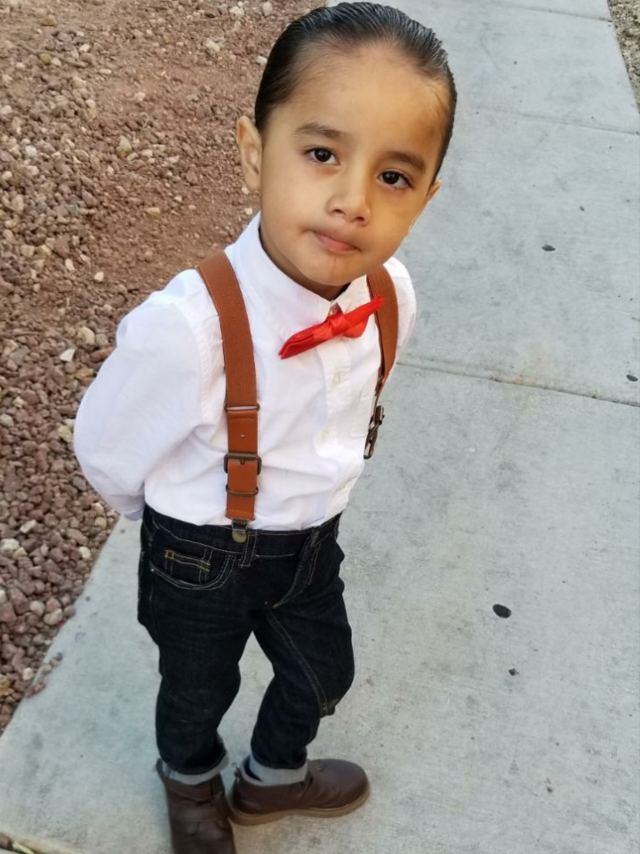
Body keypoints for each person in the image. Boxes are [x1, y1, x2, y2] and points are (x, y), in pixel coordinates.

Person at [73, 3, 457, 853]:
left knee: (325, 672)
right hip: (200, 555)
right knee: (194, 690)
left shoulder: (390, 296)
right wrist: (168, 522)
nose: (352, 201)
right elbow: (104, 450)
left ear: (427, 198)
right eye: (322, 154)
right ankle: (190, 784)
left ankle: (273, 777)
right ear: (255, 153)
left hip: (312, 545)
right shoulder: (189, 328)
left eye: (395, 176)